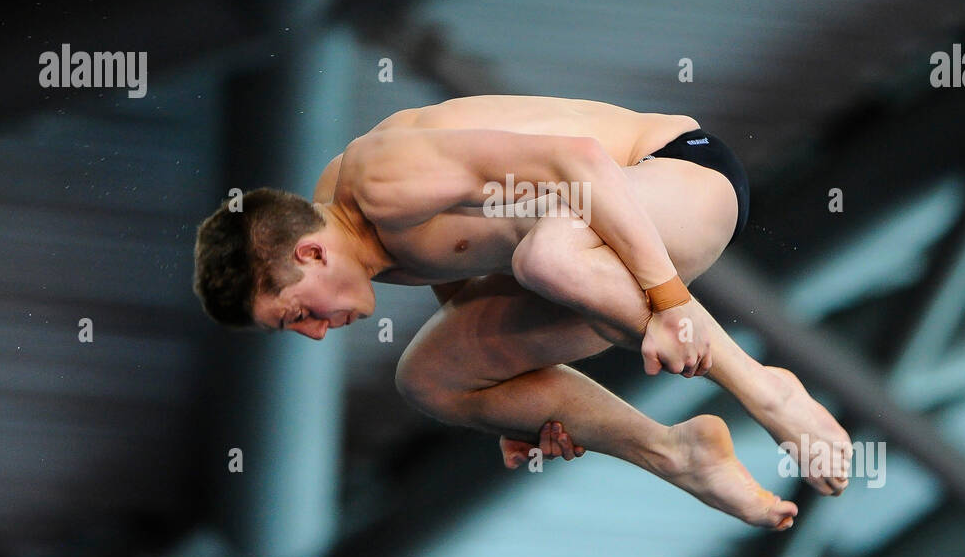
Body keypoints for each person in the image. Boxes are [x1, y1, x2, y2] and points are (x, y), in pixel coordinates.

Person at [193, 95, 852, 529]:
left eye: (294, 315)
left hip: (677, 175)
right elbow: (461, 279)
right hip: (592, 249)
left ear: (309, 253)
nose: (312, 333)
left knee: (549, 258)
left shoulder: (382, 179)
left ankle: (767, 389)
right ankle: (678, 453)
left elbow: (580, 161)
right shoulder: (362, 246)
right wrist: (514, 394)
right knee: (427, 379)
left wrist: (672, 303)